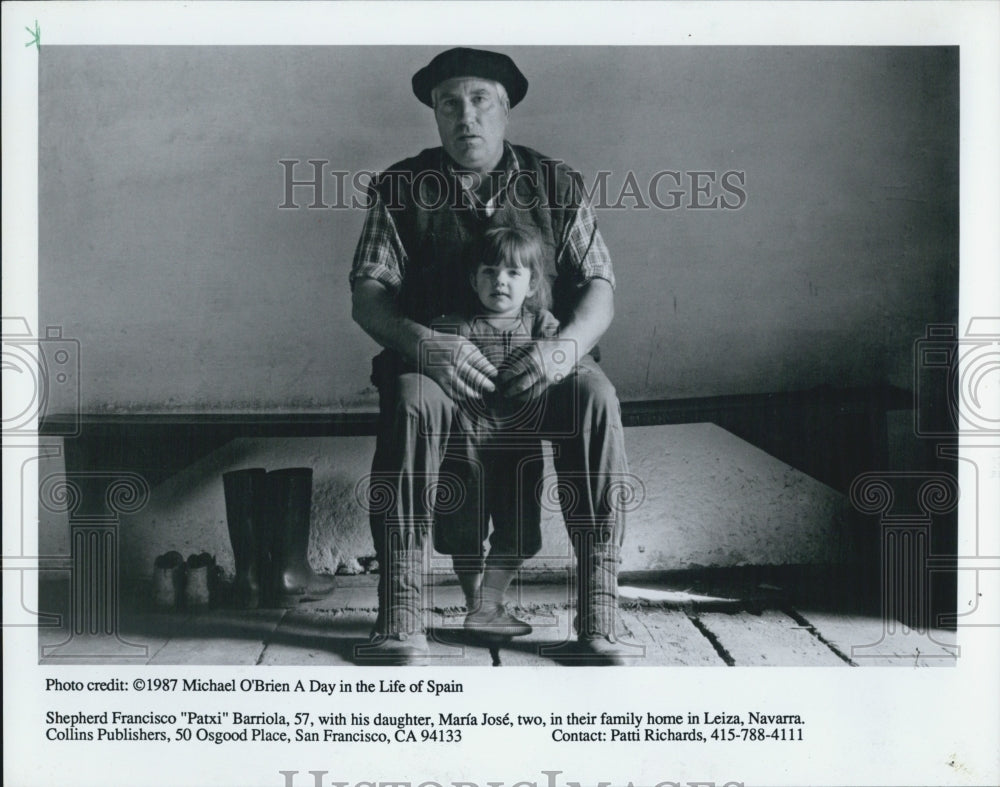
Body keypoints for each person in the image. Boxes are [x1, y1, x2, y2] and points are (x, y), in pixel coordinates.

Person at [350, 47, 630, 665]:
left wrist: (564, 351)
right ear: (435, 115)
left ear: (504, 111)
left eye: (479, 101)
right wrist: (423, 344)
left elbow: (601, 288)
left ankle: (600, 612)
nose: (464, 116)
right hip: (440, 368)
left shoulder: (557, 182)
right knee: (408, 399)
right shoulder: (400, 186)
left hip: (539, 359)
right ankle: (401, 615)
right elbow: (368, 296)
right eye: (449, 104)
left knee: (596, 397)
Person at [431, 220, 561, 641]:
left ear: (532, 281)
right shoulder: (459, 325)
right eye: (488, 271)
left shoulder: (540, 324)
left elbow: (574, 352)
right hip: (464, 445)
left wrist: (551, 348)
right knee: (464, 530)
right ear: (473, 279)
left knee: (520, 531)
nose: (499, 281)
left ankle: (491, 602)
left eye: (512, 272)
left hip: (519, 448)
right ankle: (476, 606)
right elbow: (426, 350)